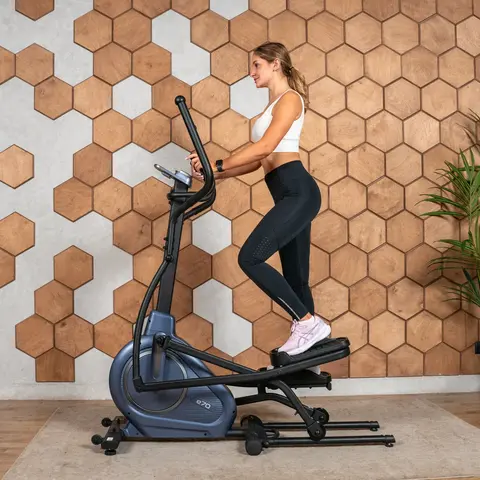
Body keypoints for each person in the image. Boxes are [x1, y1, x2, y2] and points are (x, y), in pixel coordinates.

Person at [188, 41, 331, 356]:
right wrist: (214, 174)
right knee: (296, 279)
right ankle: (309, 359)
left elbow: (265, 147)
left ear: (275, 63)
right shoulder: (272, 106)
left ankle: (308, 324)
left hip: (298, 191)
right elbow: (257, 162)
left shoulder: (290, 99)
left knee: (250, 258)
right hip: (286, 193)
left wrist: (217, 163)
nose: (251, 72)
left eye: (256, 65)